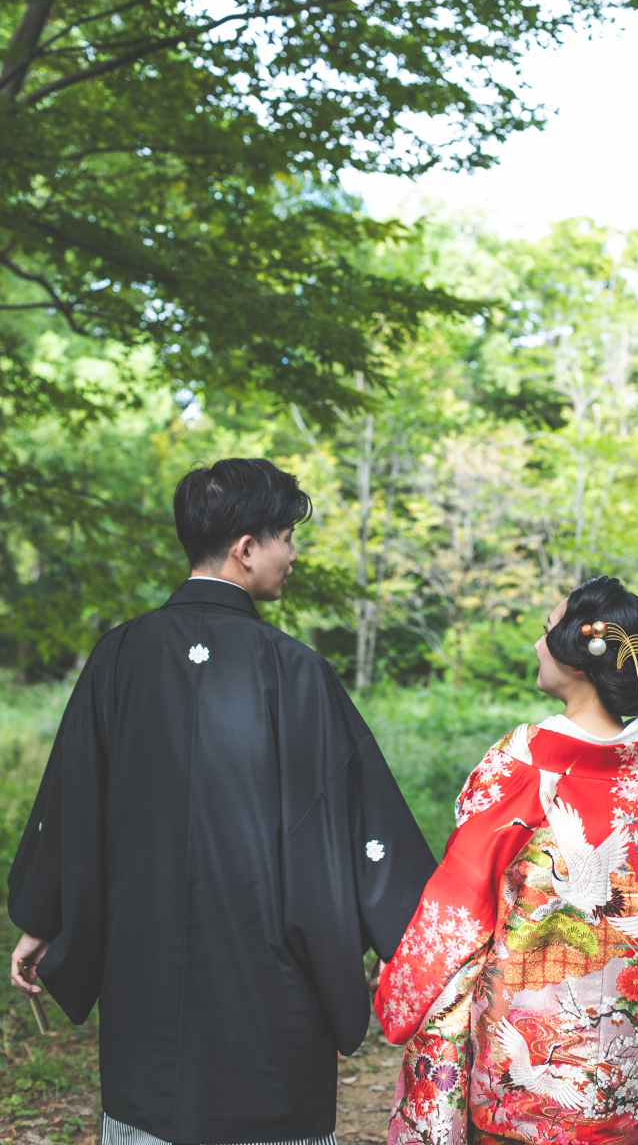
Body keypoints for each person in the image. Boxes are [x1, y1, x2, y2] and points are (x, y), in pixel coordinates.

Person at [8, 457, 436, 1145]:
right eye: (286, 538)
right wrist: (411, 933)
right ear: (246, 549)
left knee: (152, 1110)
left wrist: (44, 911)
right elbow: (362, 822)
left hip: (144, 972)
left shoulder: (119, 656)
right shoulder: (296, 671)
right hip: (271, 984)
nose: (292, 555)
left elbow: (73, 795)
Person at [374, 575, 638, 1145]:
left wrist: (404, 986)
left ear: (579, 657)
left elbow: (458, 911)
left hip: (523, 1082)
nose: (538, 645)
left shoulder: (519, 774)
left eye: (547, 632)